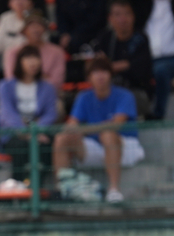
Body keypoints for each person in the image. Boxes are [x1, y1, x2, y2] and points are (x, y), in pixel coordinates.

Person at [53, 57, 145, 203]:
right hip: (96, 146)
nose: (100, 76)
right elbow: (71, 125)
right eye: (95, 72)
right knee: (62, 138)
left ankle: (114, 190)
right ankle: (63, 189)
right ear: (89, 77)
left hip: (126, 148)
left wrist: (84, 130)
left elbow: (116, 125)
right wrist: (71, 131)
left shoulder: (125, 95)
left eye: (104, 71)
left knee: (107, 135)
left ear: (111, 75)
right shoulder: (83, 97)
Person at [0, 45, 59, 183]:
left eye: (36, 58)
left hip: (40, 133)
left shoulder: (48, 88)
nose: (33, 62)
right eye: (28, 58)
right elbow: (7, 114)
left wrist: (36, 131)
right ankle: (18, 183)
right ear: (19, 62)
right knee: (21, 146)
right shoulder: (5, 86)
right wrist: (26, 132)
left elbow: (50, 114)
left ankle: (38, 187)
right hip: (15, 134)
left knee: (46, 146)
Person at [90, 0, 154, 118]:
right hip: (108, 90)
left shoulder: (141, 38)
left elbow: (142, 70)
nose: (123, 19)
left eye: (127, 14)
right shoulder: (104, 38)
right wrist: (124, 65)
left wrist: (111, 66)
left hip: (136, 92)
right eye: (118, 14)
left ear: (133, 16)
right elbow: (97, 66)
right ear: (110, 18)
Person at [3, 11, 67, 94]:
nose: (35, 29)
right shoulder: (12, 52)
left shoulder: (57, 51)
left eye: (39, 25)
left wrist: (28, 78)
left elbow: (57, 81)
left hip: (49, 95)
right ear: (24, 30)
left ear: (44, 29)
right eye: (31, 26)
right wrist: (42, 77)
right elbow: (11, 80)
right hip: (18, 96)